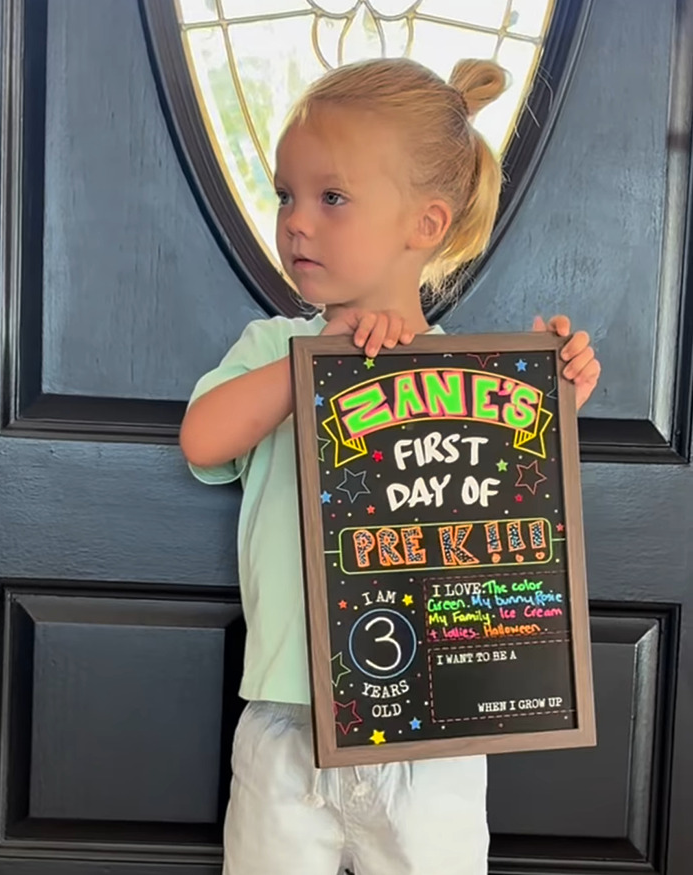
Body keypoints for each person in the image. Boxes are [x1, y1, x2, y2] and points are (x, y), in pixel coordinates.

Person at [180, 57, 601, 875]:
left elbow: (508, 504)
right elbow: (204, 439)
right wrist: (317, 362)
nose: (297, 221)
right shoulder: (276, 348)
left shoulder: (476, 377)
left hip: (435, 726)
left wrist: (556, 389)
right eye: (285, 195)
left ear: (427, 224)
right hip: (289, 717)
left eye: (331, 197)